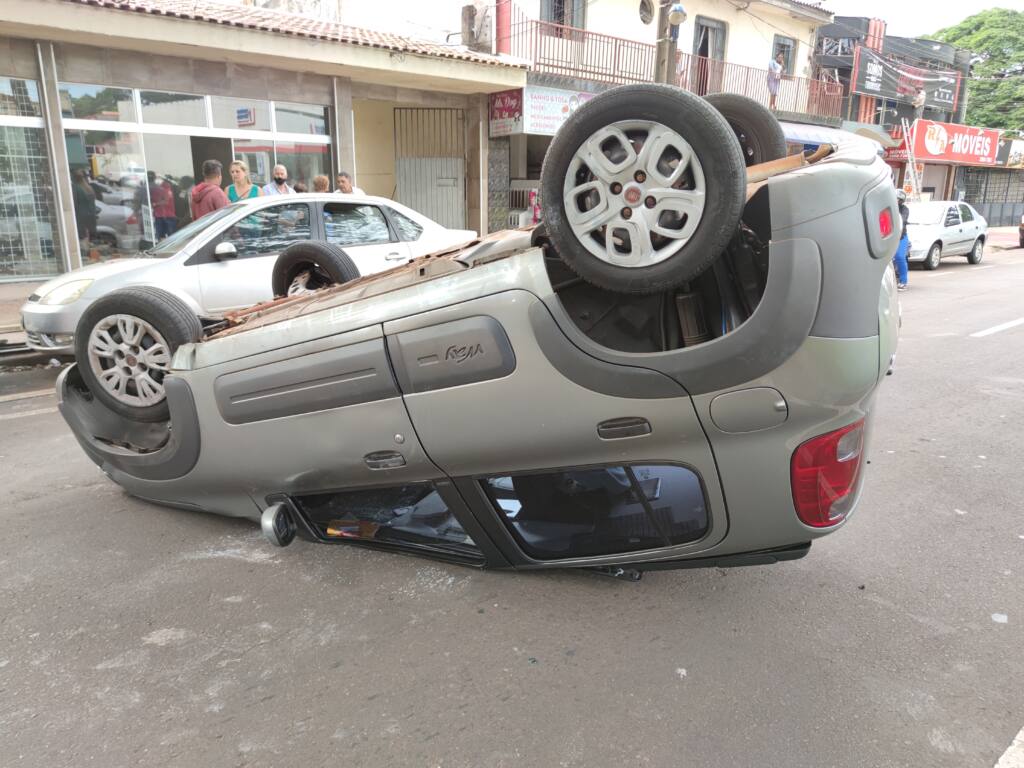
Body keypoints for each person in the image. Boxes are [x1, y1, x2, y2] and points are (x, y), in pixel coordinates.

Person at [71, 169, 98, 259]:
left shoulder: (76, 189)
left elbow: (74, 205)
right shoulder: (88, 188)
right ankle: (87, 253)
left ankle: (84, 254)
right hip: (89, 216)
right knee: (86, 236)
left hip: (80, 217)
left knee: (82, 236)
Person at [147, 171, 177, 239]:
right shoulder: (166, 189)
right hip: (166, 215)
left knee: (162, 237)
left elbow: (165, 201)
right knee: (170, 237)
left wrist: (155, 204)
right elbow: (166, 201)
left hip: (163, 216)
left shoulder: (163, 188)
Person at [894, 189, 910, 291]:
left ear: (901, 201)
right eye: (895, 198)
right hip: (887, 237)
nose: (896, 200)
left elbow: (903, 218)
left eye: (898, 199)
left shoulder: (904, 209)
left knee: (900, 257)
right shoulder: (886, 207)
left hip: (901, 237)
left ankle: (903, 281)